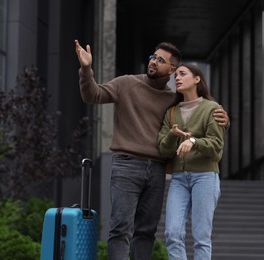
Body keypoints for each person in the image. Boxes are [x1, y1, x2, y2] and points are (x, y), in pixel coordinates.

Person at [74, 39, 229, 260]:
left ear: (172, 69)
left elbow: (197, 111)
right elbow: (93, 95)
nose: (153, 62)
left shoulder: (173, 100)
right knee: (120, 228)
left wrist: (224, 120)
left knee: (146, 232)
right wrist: (86, 69)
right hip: (126, 165)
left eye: (160, 60)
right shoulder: (126, 83)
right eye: (152, 57)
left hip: (157, 170)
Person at [157, 63, 225, 260]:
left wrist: (193, 141)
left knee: (201, 238)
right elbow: (163, 148)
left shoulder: (212, 109)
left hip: (205, 177)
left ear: (197, 79)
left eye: (182, 74)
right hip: (178, 178)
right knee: (172, 233)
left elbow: (216, 148)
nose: (177, 78)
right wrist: (172, 134)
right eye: (176, 75)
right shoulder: (171, 112)